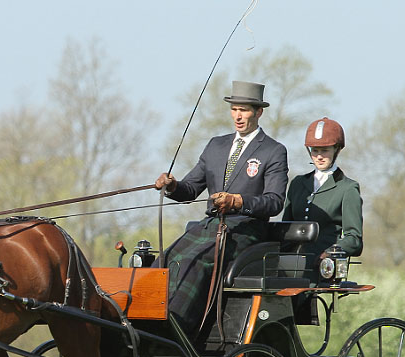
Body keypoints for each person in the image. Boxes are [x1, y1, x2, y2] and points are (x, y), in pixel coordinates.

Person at [154, 80, 288, 335]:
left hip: (246, 230)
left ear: (258, 112)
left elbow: (275, 201)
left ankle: (178, 325)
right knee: (168, 257)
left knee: (199, 259)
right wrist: (171, 186)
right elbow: (190, 189)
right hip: (211, 226)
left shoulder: (273, 151)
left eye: (244, 110)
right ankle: (146, 315)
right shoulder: (216, 145)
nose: (238, 115)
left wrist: (238, 201)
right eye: (234, 109)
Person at [283, 117, 363, 282]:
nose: (319, 156)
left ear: (337, 149)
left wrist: (330, 253)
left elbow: (354, 238)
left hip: (323, 267)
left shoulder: (347, 188)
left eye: (325, 150)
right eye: (315, 150)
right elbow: (285, 228)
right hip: (291, 266)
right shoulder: (297, 184)